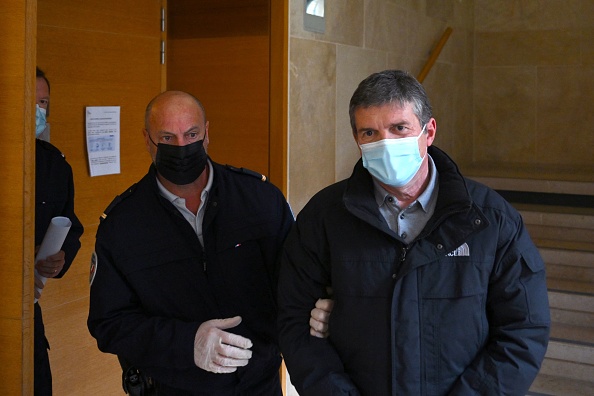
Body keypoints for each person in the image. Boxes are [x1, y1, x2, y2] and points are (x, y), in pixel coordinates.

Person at [277, 69, 551, 395]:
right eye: (370, 133)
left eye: (399, 128)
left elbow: (523, 329)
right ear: (357, 140)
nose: (386, 144)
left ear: (429, 131)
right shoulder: (325, 217)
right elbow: (293, 320)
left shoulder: (489, 219)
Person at [87, 90, 295, 395]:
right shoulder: (122, 225)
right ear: (148, 140)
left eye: (191, 134)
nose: (182, 146)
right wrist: (186, 343)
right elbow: (109, 324)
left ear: (207, 134)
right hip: (173, 385)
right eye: (168, 138)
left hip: (258, 382)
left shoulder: (260, 201)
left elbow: (295, 285)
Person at [34, 67, 84, 395]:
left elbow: (72, 226)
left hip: (28, 309)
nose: (39, 110)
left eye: (44, 102)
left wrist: (61, 258)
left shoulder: (54, 165)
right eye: (32, 101)